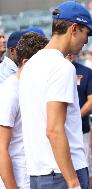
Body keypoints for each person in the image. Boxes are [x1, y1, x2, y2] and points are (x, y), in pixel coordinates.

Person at [19, 1, 92, 189]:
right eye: (86, 33)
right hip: (63, 172)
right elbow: (54, 130)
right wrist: (73, 182)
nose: (87, 41)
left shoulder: (30, 65)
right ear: (74, 28)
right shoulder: (62, 66)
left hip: (39, 172)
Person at [0, 33, 48, 189]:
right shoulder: (10, 91)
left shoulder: (34, 87)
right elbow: (1, 148)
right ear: (27, 63)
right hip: (19, 182)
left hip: (37, 176)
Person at [66, 54, 92, 178]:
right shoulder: (50, 71)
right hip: (56, 130)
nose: (70, 53)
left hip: (81, 129)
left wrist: (74, 119)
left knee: (83, 167)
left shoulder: (85, 72)